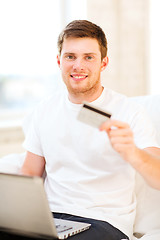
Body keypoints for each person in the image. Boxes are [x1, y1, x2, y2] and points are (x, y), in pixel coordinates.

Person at [15, 20, 160, 240]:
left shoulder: (130, 111)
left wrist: (132, 152)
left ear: (103, 63)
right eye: (70, 56)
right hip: (51, 218)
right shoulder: (44, 110)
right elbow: (29, 174)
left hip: (104, 222)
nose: (78, 65)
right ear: (59, 61)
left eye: (89, 57)